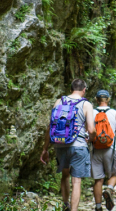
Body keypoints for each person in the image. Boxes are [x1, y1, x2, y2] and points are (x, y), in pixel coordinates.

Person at [40, 79, 96, 211]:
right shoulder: (86, 104)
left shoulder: (59, 101)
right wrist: (91, 138)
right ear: (84, 90)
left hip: (60, 144)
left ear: (71, 89)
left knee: (65, 175)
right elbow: (91, 129)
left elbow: (50, 126)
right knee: (76, 181)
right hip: (79, 145)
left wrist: (45, 149)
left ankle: (65, 205)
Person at [91, 90, 116, 211]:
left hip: (95, 149)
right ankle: (109, 189)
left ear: (97, 100)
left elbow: (88, 132)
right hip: (111, 149)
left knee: (98, 179)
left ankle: (98, 207)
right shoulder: (115, 113)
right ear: (108, 100)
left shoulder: (91, 112)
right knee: (113, 175)